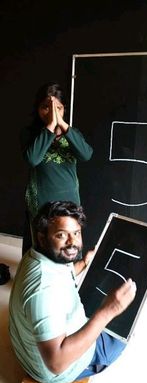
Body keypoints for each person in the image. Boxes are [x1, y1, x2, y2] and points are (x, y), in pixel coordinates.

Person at [9, 201, 136, 383]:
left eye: (76, 233)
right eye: (62, 235)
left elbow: (61, 276)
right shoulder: (44, 291)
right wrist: (108, 310)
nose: (72, 243)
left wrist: (84, 263)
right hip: (52, 370)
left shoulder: (38, 254)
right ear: (42, 238)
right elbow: (56, 363)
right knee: (123, 332)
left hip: (27, 353)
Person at [20, 82, 93, 254]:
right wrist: (51, 127)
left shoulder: (72, 134)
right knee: (42, 243)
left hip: (69, 199)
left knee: (69, 243)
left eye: (58, 108)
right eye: (46, 107)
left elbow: (86, 154)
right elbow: (32, 158)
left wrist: (62, 125)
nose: (52, 112)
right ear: (37, 108)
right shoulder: (30, 134)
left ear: (64, 109)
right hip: (41, 199)